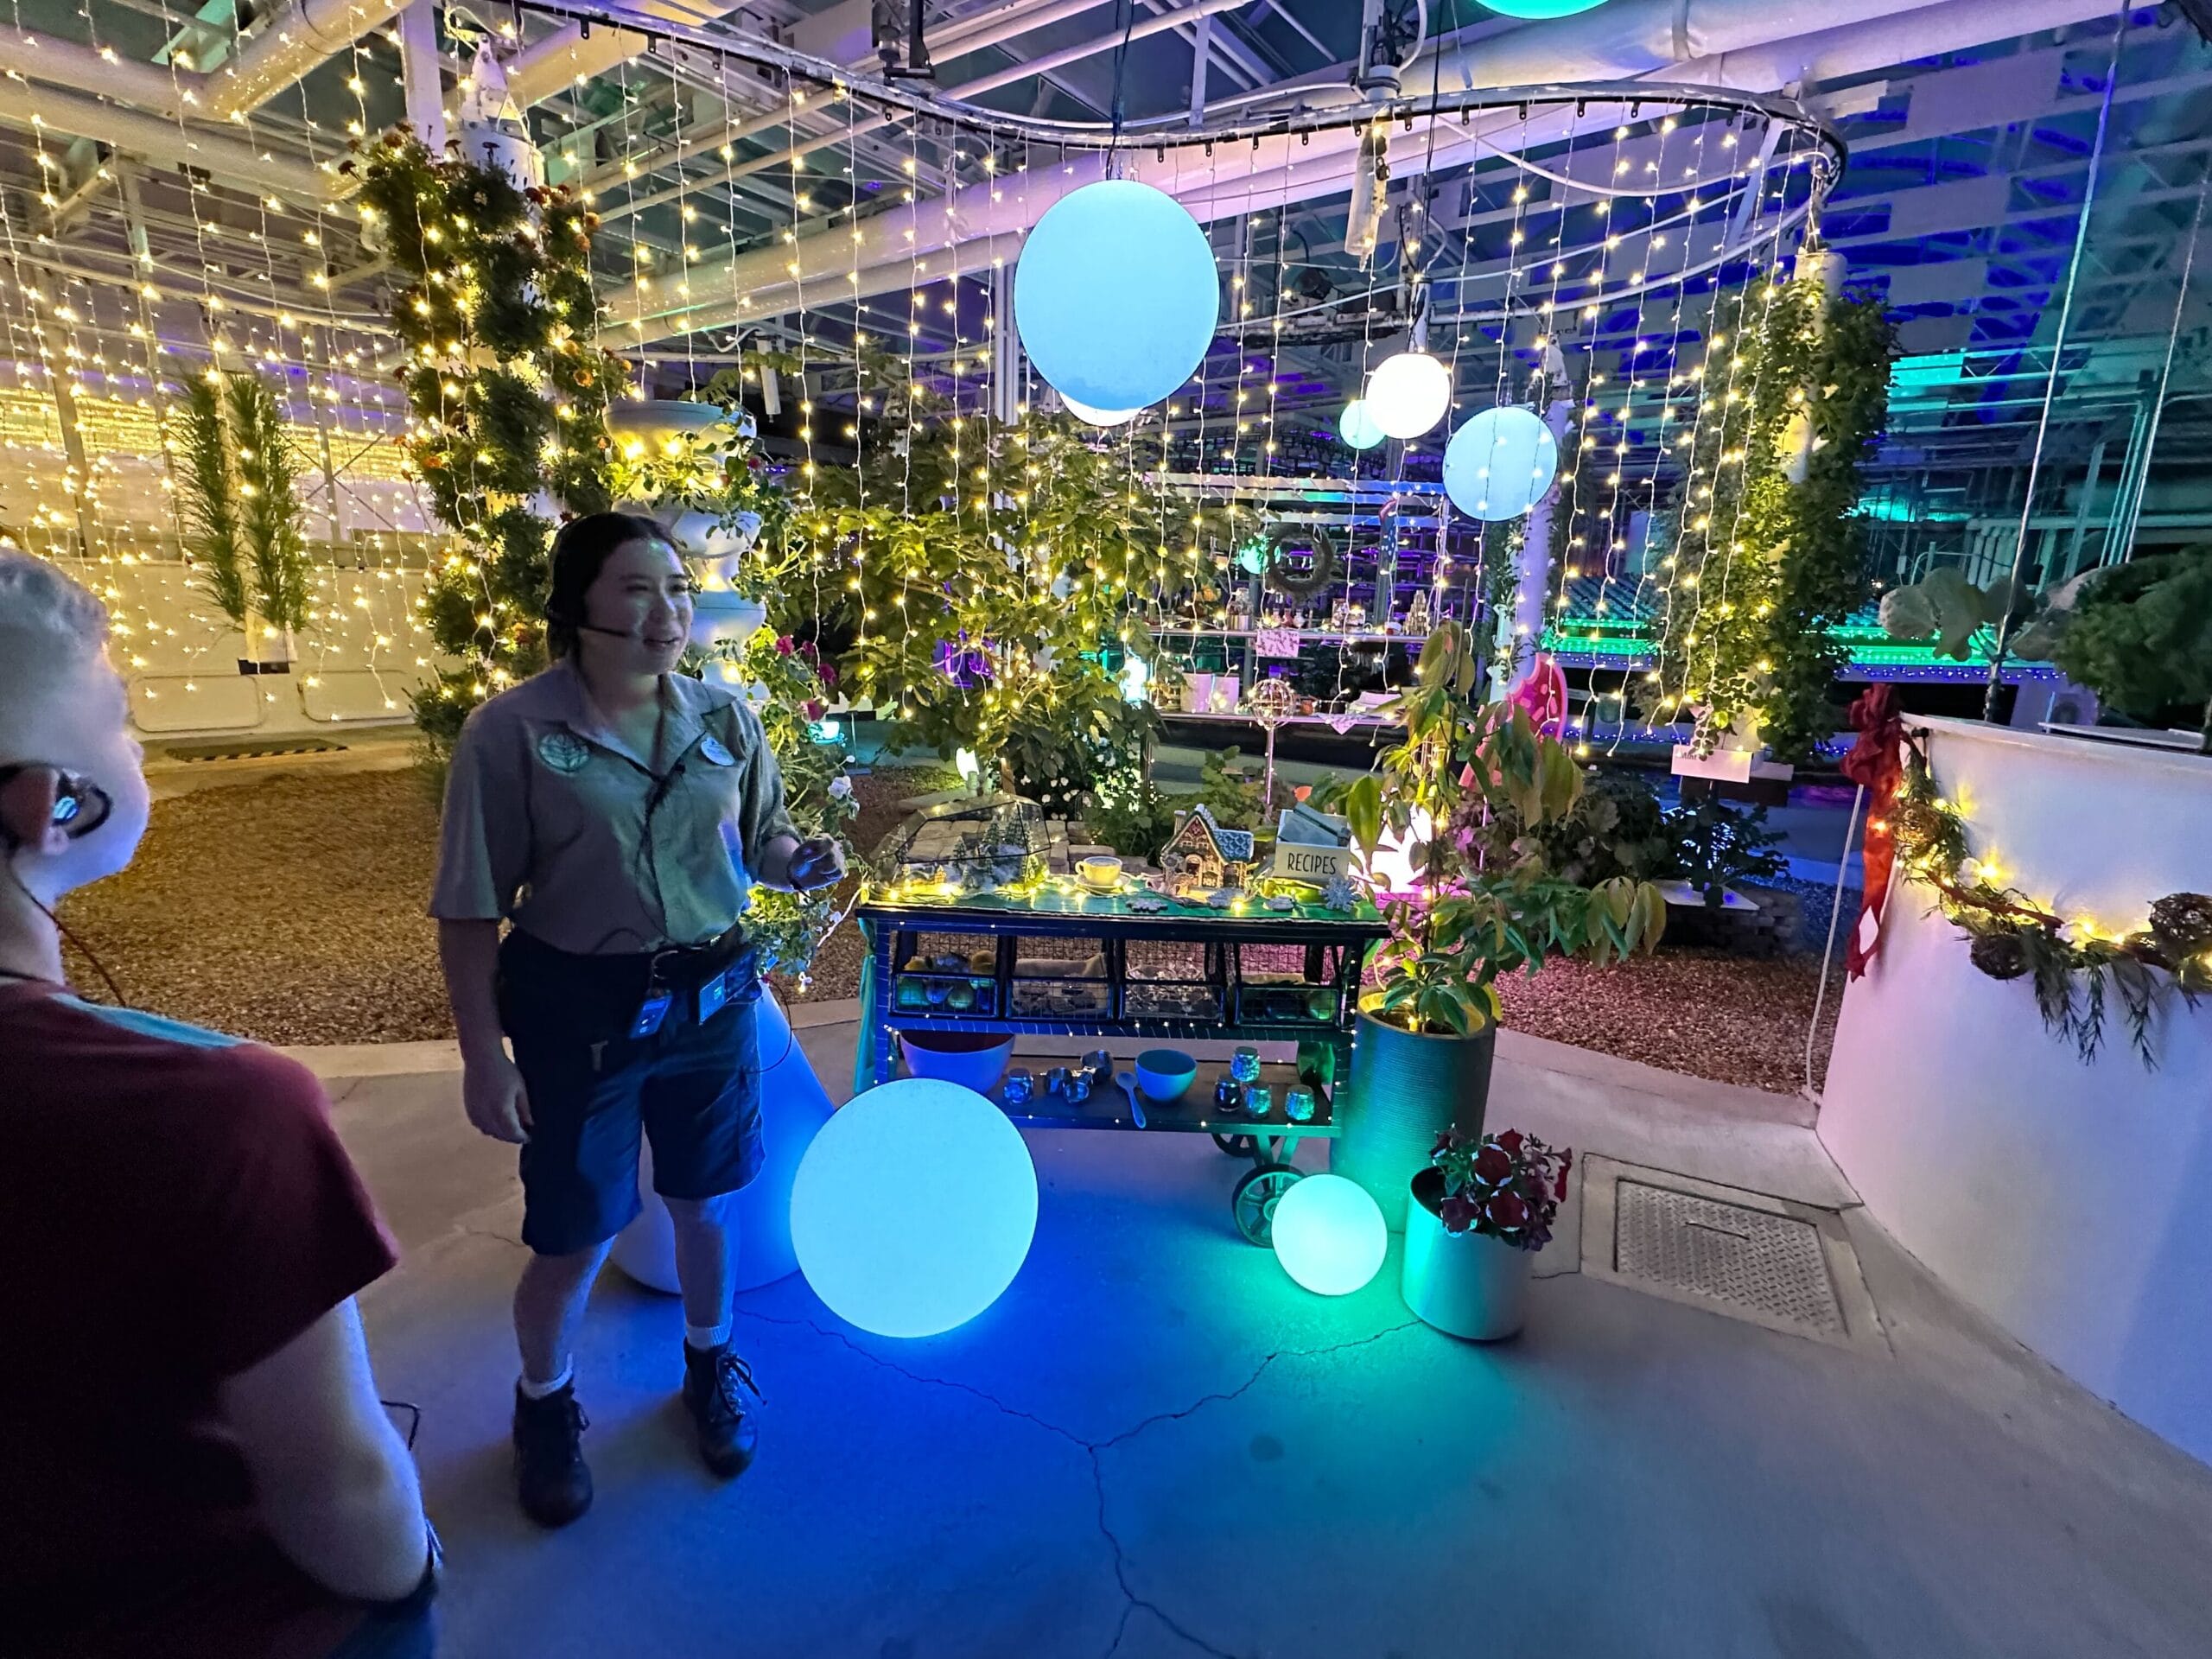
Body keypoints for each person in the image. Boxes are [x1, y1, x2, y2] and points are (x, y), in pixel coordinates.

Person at [0, 550, 436, 1656]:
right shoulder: (218, 1112)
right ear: (54, 801)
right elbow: (341, 1496)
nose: (138, 741)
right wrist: (416, 1563)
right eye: (124, 717)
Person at [431, 512, 844, 1529]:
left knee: (708, 1203)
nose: (667, 610)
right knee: (574, 1233)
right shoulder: (512, 732)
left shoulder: (726, 720)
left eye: (676, 588)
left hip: (712, 1000)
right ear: (575, 608)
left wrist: (799, 861)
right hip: (579, 1011)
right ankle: (545, 1405)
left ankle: (709, 1367)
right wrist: (485, 1058)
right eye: (636, 588)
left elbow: (763, 839)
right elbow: (470, 905)